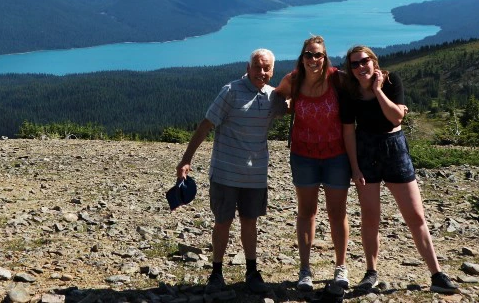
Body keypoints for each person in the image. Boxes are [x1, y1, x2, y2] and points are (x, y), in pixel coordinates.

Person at [339, 45, 460, 295]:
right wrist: (354, 167)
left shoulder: (392, 80)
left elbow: (396, 118)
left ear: (374, 61)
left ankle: (436, 274)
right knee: (370, 217)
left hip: (394, 149)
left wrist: (377, 91)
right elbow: (348, 131)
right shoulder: (349, 92)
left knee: (415, 216)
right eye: (354, 64)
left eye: (364, 61)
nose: (360, 67)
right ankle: (371, 272)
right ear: (350, 69)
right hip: (365, 151)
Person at [176, 48, 285, 294]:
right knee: (222, 221)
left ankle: (251, 270)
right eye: (257, 66)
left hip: (255, 175)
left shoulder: (273, 97)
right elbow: (206, 125)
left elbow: (300, 102)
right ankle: (216, 272)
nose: (261, 72)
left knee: (250, 222)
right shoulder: (230, 91)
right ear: (248, 68)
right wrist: (186, 159)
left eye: (266, 68)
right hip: (225, 173)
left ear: (273, 71)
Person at [275, 36, 350, 294]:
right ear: (302, 57)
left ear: (325, 57)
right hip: (303, 154)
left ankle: (341, 267)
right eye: (309, 55)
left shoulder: (337, 79)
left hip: (336, 155)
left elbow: (361, 87)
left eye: (318, 55)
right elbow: (277, 95)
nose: (313, 60)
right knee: (306, 211)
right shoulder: (294, 80)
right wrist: (285, 106)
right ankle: (305, 270)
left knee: (337, 213)